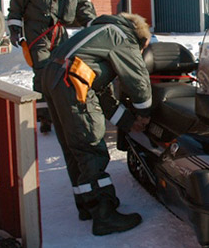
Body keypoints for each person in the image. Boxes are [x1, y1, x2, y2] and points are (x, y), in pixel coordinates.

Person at [41, 12, 152, 235]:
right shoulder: (122, 37)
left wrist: (129, 122)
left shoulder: (100, 35)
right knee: (90, 143)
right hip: (71, 81)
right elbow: (138, 79)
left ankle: (86, 204)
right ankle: (104, 214)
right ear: (140, 39)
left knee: (74, 147)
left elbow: (102, 93)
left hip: (55, 78)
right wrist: (145, 111)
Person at [7, 0, 97, 132]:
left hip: (60, 36)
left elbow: (84, 8)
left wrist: (93, 26)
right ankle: (44, 116)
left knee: (63, 72)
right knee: (42, 73)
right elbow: (15, 8)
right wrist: (15, 29)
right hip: (37, 36)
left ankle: (63, 111)